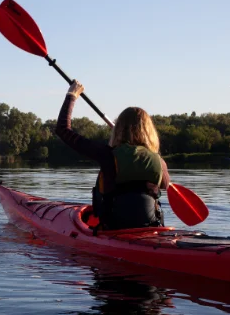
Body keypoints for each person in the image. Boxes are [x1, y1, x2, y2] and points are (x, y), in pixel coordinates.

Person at [55, 80, 171, 230]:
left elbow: (63, 129)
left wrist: (72, 95)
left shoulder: (107, 155)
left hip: (114, 228)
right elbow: (165, 185)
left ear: (118, 129)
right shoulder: (159, 162)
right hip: (151, 227)